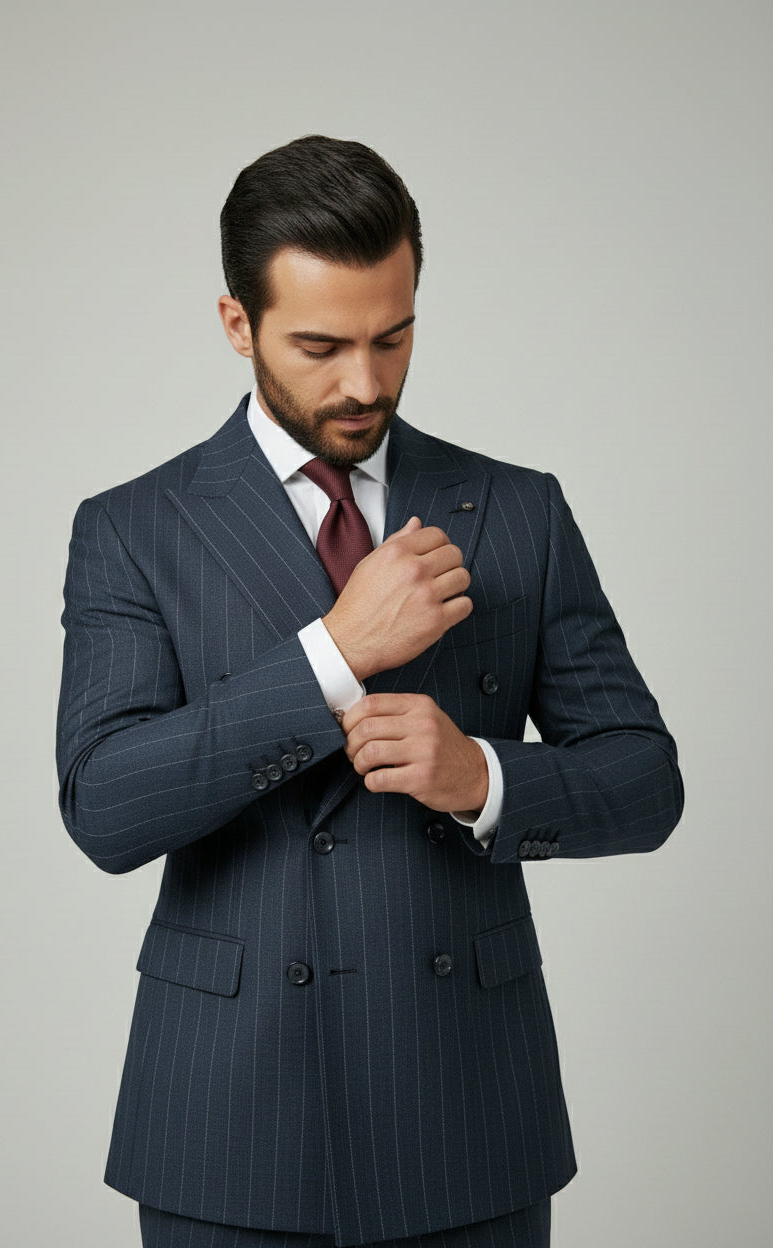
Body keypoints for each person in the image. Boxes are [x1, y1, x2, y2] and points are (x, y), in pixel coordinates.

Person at [55, 134, 684, 1248]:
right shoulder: (134, 529)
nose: (365, 382)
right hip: (225, 1118)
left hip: (467, 1110)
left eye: (392, 337)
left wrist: (482, 776)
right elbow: (105, 807)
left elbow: (644, 781)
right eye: (321, 344)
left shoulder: (518, 510)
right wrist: (330, 657)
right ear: (237, 325)